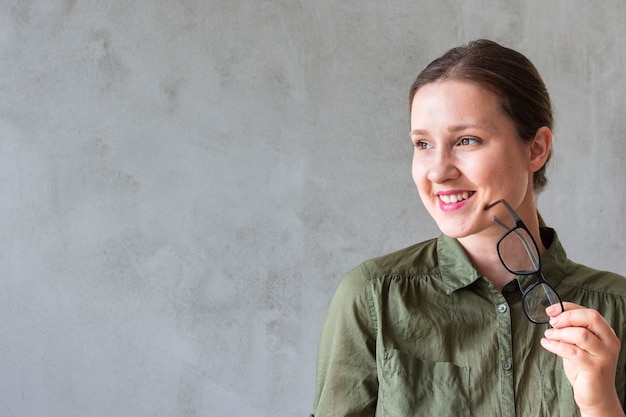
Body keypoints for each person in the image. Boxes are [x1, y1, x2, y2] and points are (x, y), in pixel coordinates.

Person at [311, 39, 626, 417]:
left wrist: (600, 405)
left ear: (536, 149)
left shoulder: (617, 308)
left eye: (466, 140)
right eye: (423, 144)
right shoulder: (372, 297)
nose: (439, 171)